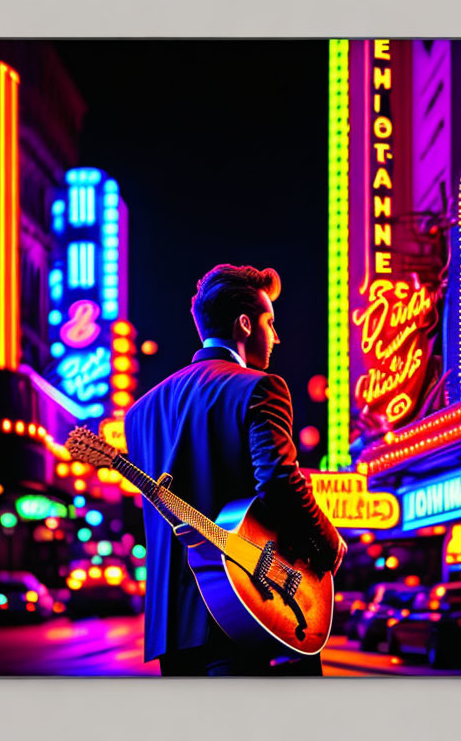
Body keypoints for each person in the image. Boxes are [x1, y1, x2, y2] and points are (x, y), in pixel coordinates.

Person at [124, 264, 346, 676]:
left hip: (173, 630)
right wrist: (328, 541)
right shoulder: (261, 387)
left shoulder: (139, 414)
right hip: (257, 616)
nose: (276, 336)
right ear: (245, 324)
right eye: (270, 322)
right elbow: (280, 484)